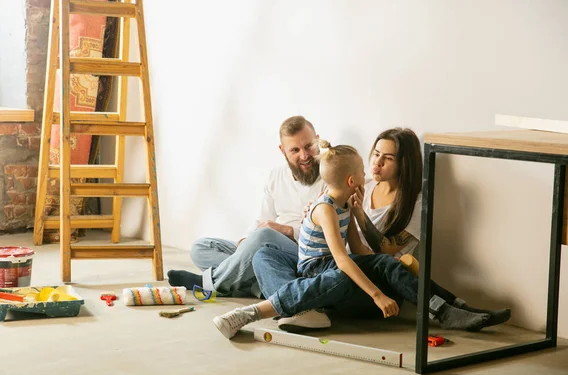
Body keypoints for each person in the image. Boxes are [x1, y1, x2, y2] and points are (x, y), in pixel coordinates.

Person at [213, 140, 510, 339]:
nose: (371, 169)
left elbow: (360, 250)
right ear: (353, 180)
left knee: (382, 264)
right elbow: (342, 259)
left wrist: (384, 257)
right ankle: (275, 311)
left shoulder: (348, 205)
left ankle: (457, 307)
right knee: (268, 253)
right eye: (365, 168)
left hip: (333, 269)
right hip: (321, 270)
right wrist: (378, 293)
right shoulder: (326, 209)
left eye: (386, 157)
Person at [166, 115, 326, 298]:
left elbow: (328, 235)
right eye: (295, 150)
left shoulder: (330, 175)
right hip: (267, 246)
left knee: (264, 237)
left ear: (318, 141)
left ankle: (210, 284)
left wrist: (287, 231)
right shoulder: (276, 175)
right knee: (200, 247)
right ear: (282, 151)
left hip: (302, 253)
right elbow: (263, 218)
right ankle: (255, 284)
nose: (304, 156)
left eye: (308, 147)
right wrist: (245, 239)